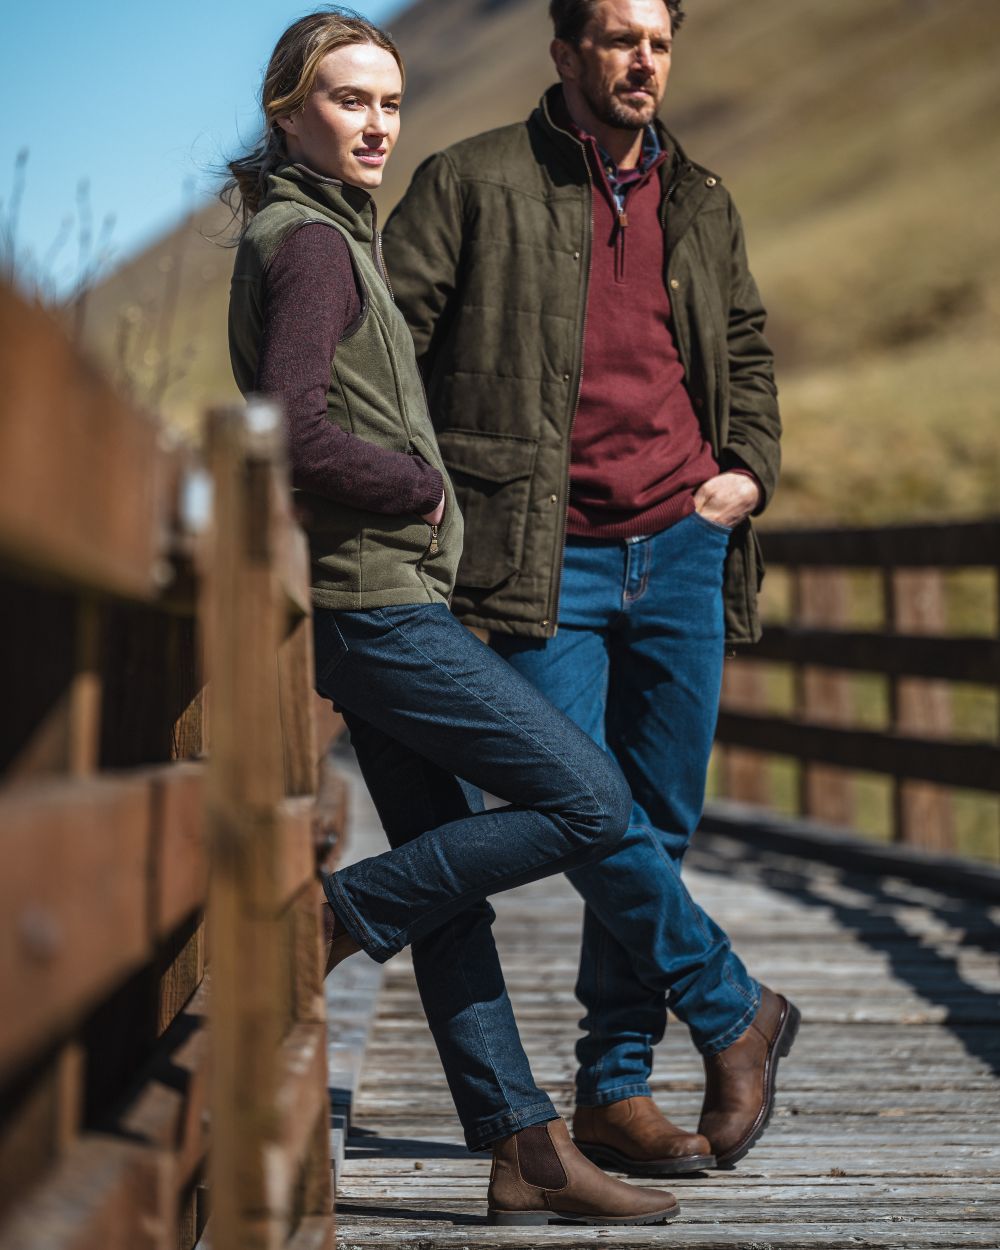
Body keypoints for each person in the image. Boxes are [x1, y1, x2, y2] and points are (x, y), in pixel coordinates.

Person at [224, 7, 682, 1227]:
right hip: (376, 605)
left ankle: (524, 1148)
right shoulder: (311, 244)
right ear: (289, 112)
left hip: (373, 597)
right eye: (345, 100)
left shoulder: (319, 230)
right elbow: (292, 428)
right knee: (588, 796)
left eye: (387, 101)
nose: (375, 124)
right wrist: (419, 484)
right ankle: (339, 914)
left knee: (456, 886)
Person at [383, 0, 797, 1176]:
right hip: (536, 553)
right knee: (586, 808)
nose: (642, 61)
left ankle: (615, 1088)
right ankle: (732, 1008)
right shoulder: (468, 182)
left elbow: (749, 346)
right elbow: (391, 348)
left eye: (658, 40)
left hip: (680, 540)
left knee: (655, 821)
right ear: (564, 51)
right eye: (618, 38)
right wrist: (429, 491)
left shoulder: (704, 198)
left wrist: (748, 473)